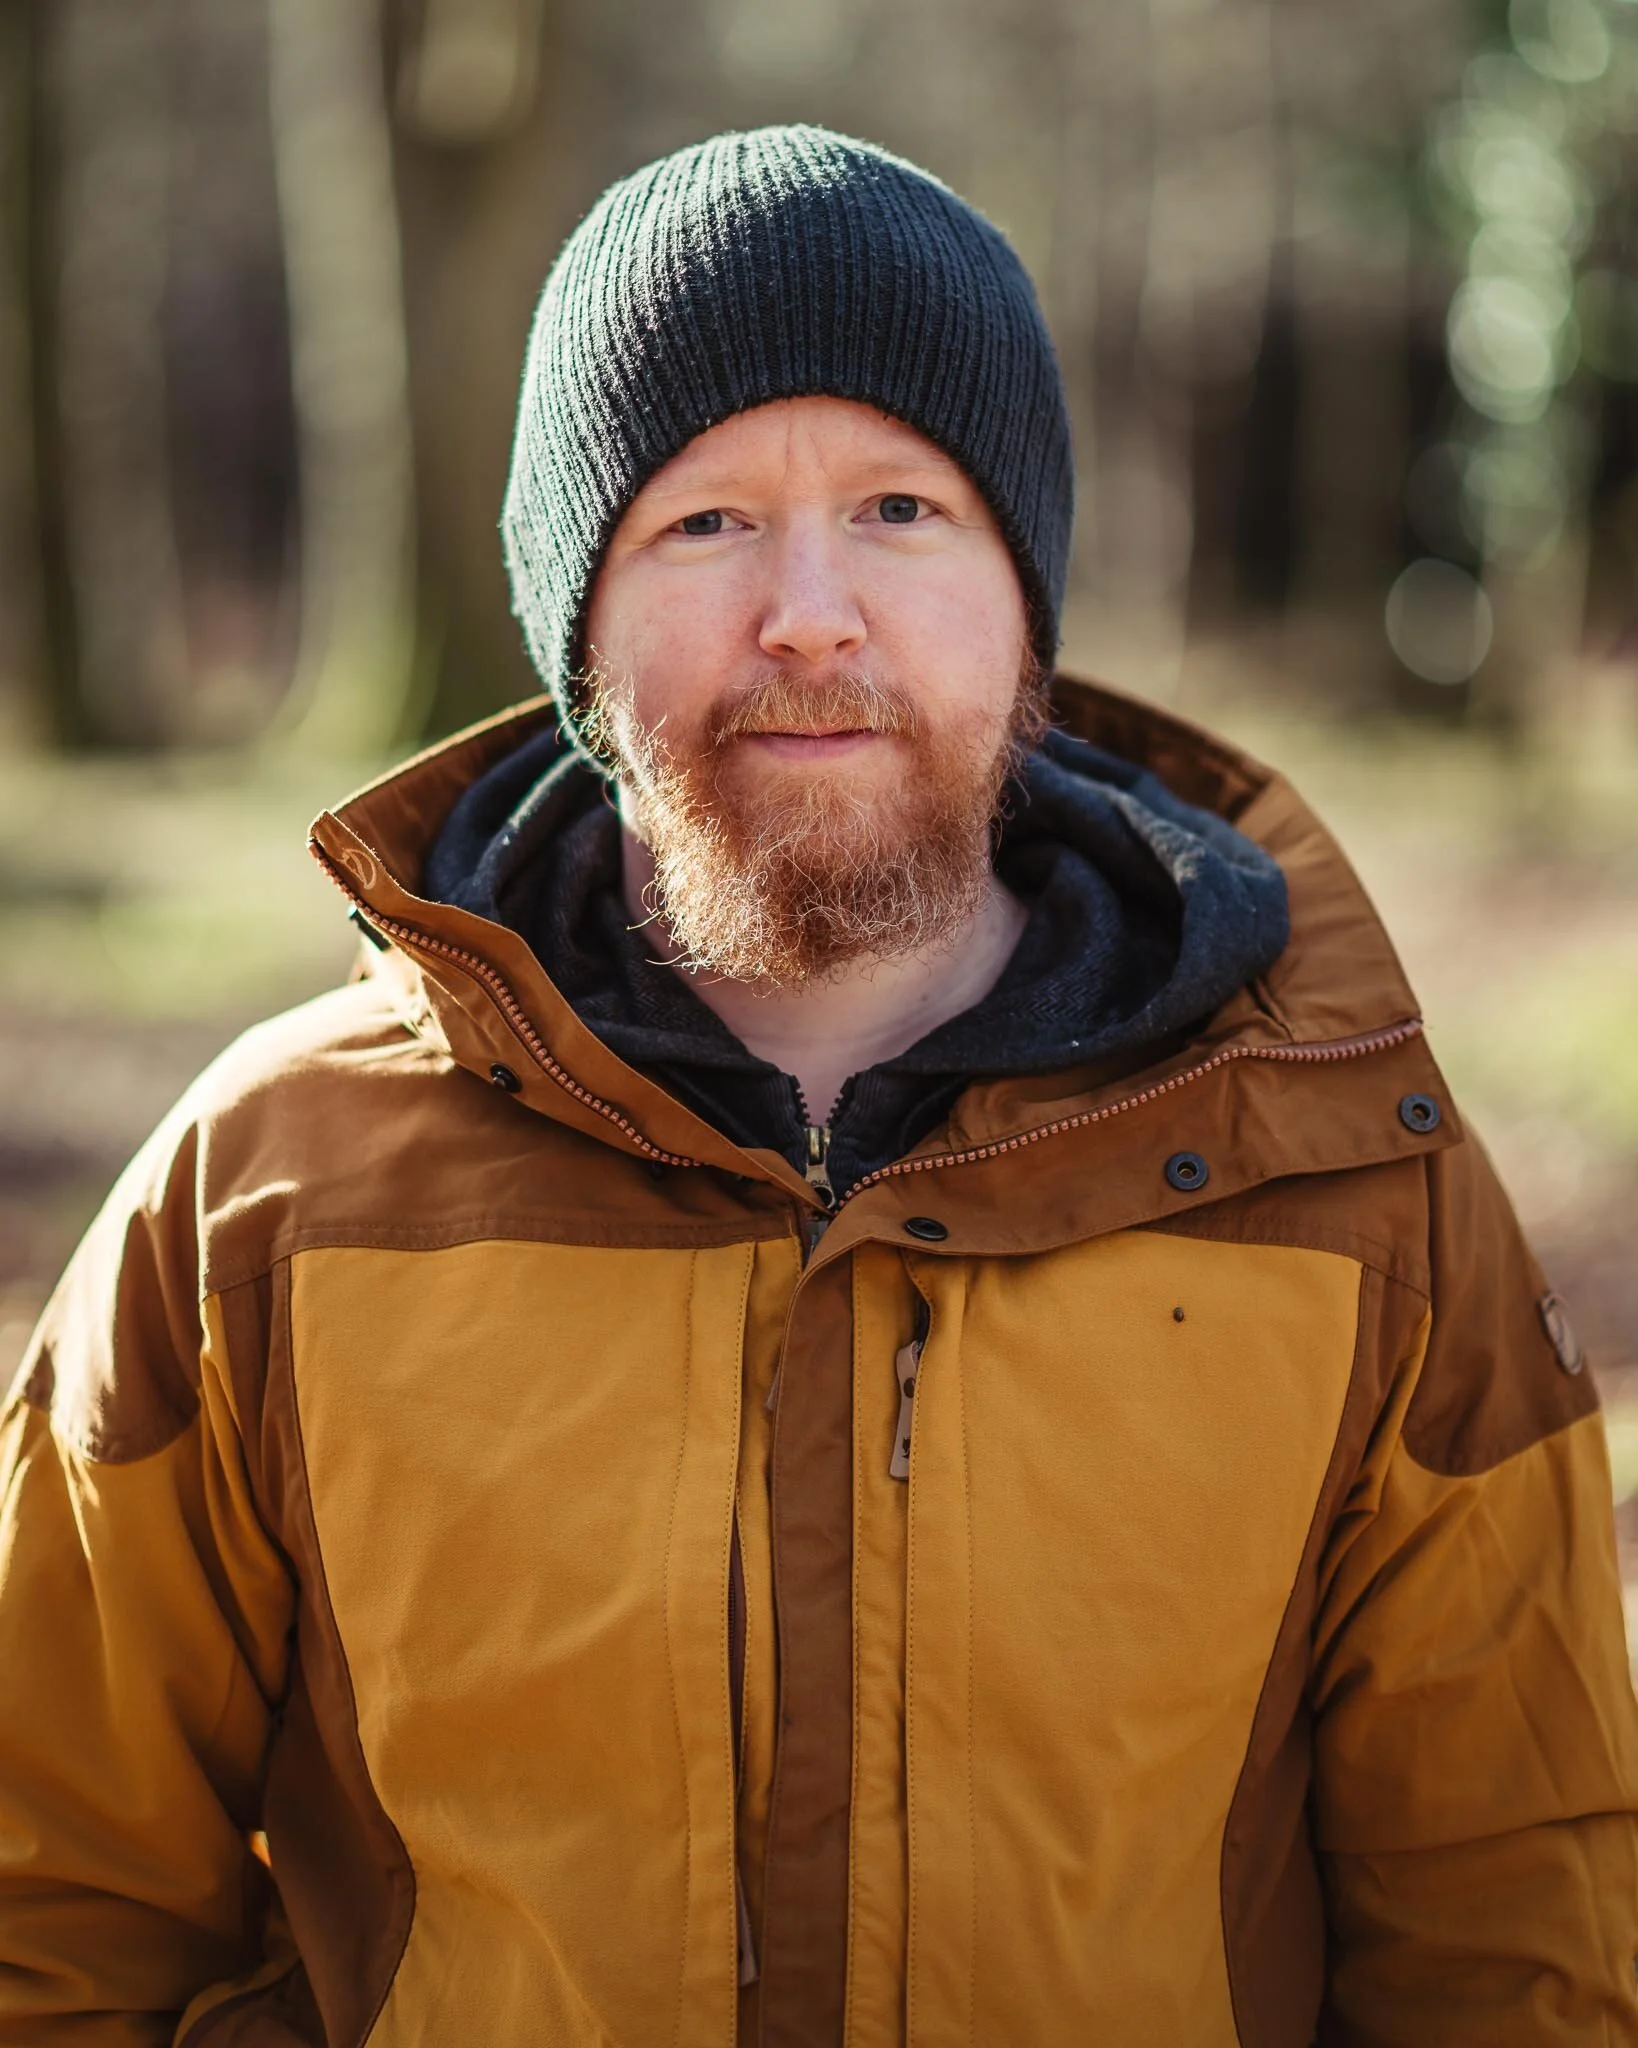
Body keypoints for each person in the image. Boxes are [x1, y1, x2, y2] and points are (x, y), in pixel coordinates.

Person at [2, 124, 1634, 2048]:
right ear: (571, 626)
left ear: (1025, 597)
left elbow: (1521, 1952)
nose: (807, 615)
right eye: (702, 523)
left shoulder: (1348, 1180)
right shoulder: (265, 1197)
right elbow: (54, 1927)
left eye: (898, 510)